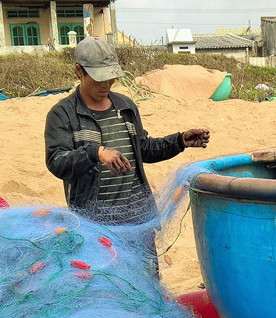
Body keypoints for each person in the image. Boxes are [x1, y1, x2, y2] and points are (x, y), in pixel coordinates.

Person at [44, 37, 210, 235]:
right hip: (95, 224)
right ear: (79, 71)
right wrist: (95, 153)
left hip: (138, 217)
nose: (106, 85)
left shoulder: (126, 107)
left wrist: (180, 141)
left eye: (111, 77)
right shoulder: (62, 114)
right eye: (99, 78)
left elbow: (144, 149)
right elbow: (57, 162)